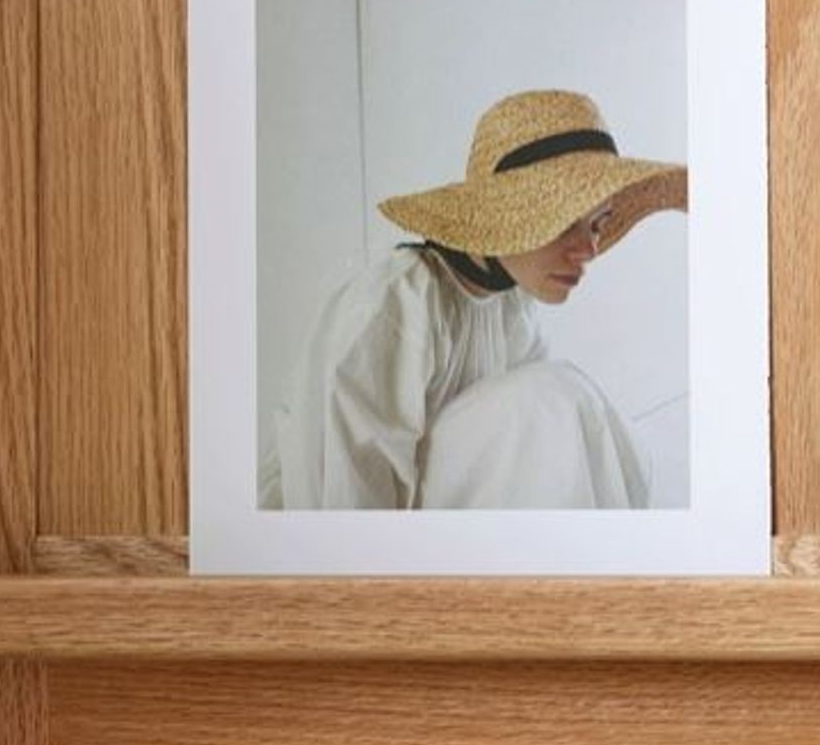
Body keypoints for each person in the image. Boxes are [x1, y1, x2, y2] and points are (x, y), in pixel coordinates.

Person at [263, 89, 687, 510]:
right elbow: (339, 492)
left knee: (574, 404)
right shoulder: (394, 303)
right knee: (554, 403)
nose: (590, 251)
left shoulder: (514, 310)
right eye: (564, 225)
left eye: (598, 225)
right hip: (331, 550)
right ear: (505, 217)